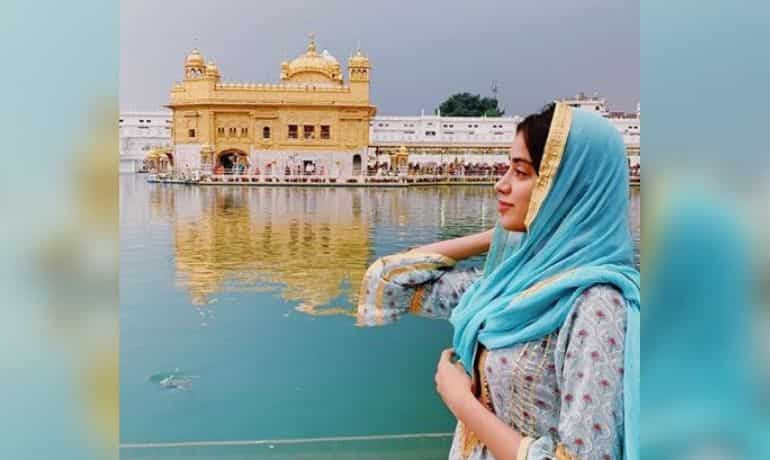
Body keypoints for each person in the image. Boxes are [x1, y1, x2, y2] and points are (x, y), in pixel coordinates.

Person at [358, 102, 639, 459]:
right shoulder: (509, 287)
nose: (500, 184)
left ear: (567, 189)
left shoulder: (595, 305)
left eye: (520, 173)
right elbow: (388, 282)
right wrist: (497, 235)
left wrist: (462, 402)